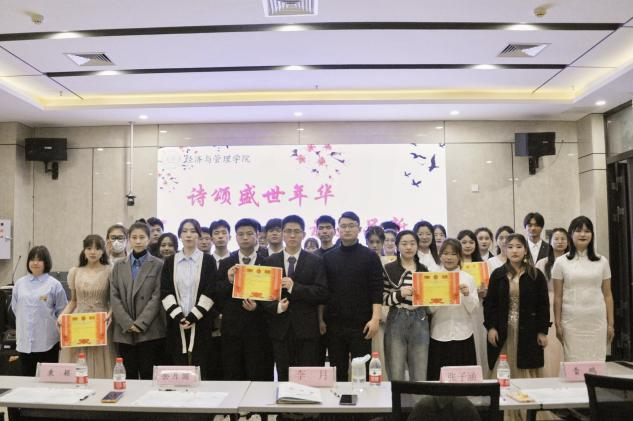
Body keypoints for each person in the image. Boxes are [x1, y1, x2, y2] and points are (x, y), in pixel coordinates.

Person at [262, 215, 328, 381]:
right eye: (288, 231)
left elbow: (322, 292)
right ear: (283, 233)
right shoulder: (270, 261)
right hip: (280, 330)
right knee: (284, 377)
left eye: (297, 231)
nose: (292, 235)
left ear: (303, 234)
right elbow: (263, 297)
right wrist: (277, 307)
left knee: (307, 378)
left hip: (307, 330)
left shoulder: (315, 261)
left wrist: (294, 287)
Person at [323, 211, 383, 381]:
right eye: (343, 226)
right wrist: (321, 319)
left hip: (362, 325)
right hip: (334, 325)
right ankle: (338, 400)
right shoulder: (328, 258)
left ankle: (362, 399)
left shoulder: (370, 256)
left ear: (359, 229)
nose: (347, 229)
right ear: (338, 230)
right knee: (337, 372)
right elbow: (324, 292)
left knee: (361, 372)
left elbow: (377, 290)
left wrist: (375, 319)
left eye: (351, 226)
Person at [484, 234, 549, 381]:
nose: (514, 251)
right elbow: (489, 304)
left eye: (519, 247)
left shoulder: (536, 275)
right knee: (502, 366)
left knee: (527, 365)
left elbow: (543, 305)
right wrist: (491, 328)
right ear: (505, 250)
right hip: (503, 329)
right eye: (510, 247)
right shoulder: (498, 274)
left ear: (525, 250)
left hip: (529, 329)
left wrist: (542, 331)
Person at [217, 218, 274, 380]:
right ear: (235, 237)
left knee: (259, 374)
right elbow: (217, 294)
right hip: (232, 329)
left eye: (249, 234)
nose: (245, 237)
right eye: (241, 234)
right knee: (233, 374)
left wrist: (257, 307)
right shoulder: (226, 263)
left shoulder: (267, 263)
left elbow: (272, 296)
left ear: (258, 235)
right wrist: (229, 281)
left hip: (260, 329)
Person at [160, 219, 218, 376]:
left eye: (193, 231)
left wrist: (193, 317)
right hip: (176, 322)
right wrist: (180, 317)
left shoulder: (208, 261)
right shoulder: (170, 262)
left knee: (201, 366)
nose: (189, 235)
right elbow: (165, 291)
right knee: (179, 367)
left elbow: (210, 291)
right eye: (184, 231)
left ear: (199, 235)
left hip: (201, 321)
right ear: (179, 235)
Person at [552, 216, 613, 362]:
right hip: (571, 321)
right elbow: (558, 296)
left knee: (596, 362)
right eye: (578, 231)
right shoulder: (561, 262)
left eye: (587, 231)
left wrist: (610, 324)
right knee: (574, 363)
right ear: (571, 234)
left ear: (592, 234)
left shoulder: (602, 261)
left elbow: (608, 294)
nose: (583, 234)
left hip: (597, 320)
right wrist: (558, 324)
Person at [110, 222, 165, 380]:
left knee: (148, 374)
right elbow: (114, 296)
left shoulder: (158, 264)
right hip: (125, 330)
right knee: (129, 374)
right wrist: (127, 323)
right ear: (129, 240)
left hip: (149, 329)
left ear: (149, 239)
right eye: (134, 237)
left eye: (142, 237)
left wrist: (140, 323)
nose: (138, 241)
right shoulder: (119, 266)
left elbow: (157, 296)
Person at [58, 235, 115, 378]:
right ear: (84, 250)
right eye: (89, 248)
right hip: (79, 323)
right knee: (79, 360)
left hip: (101, 323)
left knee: (100, 360)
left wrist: (111, 313)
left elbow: (114, 300)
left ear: (103, 251)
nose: (93, 252)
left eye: (97, 248)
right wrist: (62, 316)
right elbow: (73, 301)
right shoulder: (75, 271)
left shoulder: (110, 270)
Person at [427, 239, 478, 380]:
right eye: (445, 253)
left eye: (453, 254)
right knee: (438, 379)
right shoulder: (433, 277)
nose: (449, 257)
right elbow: (429, 310)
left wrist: (467, 295)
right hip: (439, 333)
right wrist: (439, 297)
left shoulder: (468, 278)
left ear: (460, 256)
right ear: (440, 255)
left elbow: (474, 309)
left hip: (463, 334)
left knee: (463, 380)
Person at [11, 246, 68, 376]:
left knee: (48, 380)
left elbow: (62, 311)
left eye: (39, 260)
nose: (35, 263)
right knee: (27, 380)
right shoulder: (20, 284)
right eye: (32, 259)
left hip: (47, 342)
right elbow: (16, 309)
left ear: (46, 262)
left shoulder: (54, 285)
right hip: (25, 342)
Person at [382, 230, 429, 381]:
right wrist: (399, 294)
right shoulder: (388, 269)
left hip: (420, 318)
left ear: (417, 246)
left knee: (420, 370)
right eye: (404, 243)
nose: (408, 247)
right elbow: (383, 299)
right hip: (397, 317)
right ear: (397, 246)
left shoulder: (424, 269)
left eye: (412, 243)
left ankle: (418, 398)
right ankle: (397, 397)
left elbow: (430, 299)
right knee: (395, 369)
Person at [535, 227, 568, 377]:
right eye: (556, 238)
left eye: (563, 239)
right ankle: (549, 374)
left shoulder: (571, 262)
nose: (560, 242)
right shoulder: (542, 263)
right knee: (551, 342)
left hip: (567, 302)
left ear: (568, 242)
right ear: (550, 241)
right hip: (547, 305)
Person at [314, 214, 337, 366]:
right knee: (317, 358)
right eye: (321, 228)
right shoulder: (312, 256)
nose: (324, 231)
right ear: (316, 231)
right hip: (316, 315)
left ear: (335, 231)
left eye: (328, 228)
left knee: (337, 360)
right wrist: (319, 318)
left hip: (337, 314)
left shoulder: (340, 253)